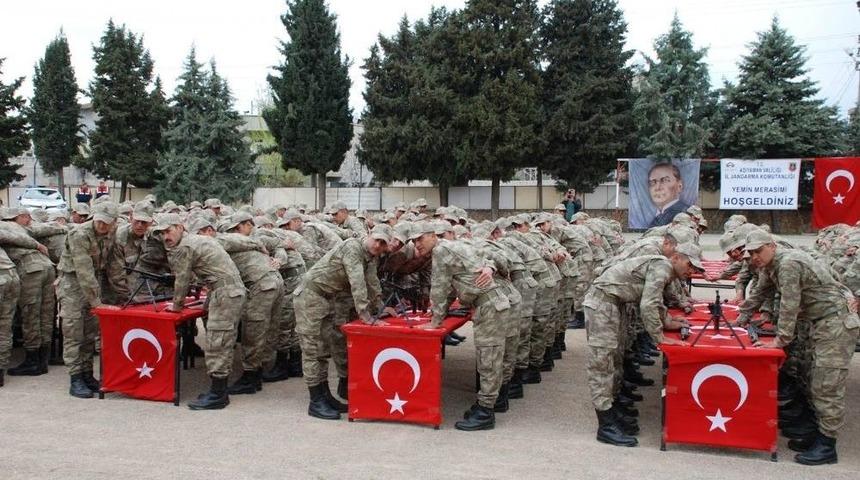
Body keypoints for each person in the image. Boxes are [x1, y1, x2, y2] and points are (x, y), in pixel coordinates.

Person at [738, 230, 859, 465]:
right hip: (819, 322)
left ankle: (827, 445)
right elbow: (760, 292)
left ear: (771, 246)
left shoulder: (789, 263)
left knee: (826, 384)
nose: (754, 257)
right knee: (812, 378)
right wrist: (741, 316)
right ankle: (817, 432)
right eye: (751, 253)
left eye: (758, 251)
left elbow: (789, 305)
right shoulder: (771, 265)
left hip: (835, 322)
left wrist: (780, 340)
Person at [584, 242, 703, 447]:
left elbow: (655, 302)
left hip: (614, 304)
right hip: (602, 303)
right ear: (676, 258)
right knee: (602, 363)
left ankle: (612, 411)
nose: (691, 271)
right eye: (689, 265)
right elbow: (647, 304)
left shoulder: (666, 271)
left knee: (616, 360)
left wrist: (668, 323)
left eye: (696, 269)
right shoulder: (663, 267)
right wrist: (659, 337)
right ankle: (605, 425)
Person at [413, 222, 511, 431]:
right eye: (413, 240)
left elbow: (439, 287)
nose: (416, 244)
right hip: (489, 304)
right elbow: (449, 289)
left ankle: (486, 412)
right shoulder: (453, 246)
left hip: (489, 306)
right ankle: (486, 404)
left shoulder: (441, 250)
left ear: (432, 235)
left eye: (420, 238)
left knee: (488, 359)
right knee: (489, 357)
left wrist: (435, 322)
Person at [294, 225, 389, 420]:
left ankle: (325, 395)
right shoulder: (353, 248)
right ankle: (315, 400)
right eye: (377, 240)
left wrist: (380, 307)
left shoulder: (370, 257)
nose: (378, 245)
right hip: (311, 296)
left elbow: (372, 282)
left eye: (383, 243)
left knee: (323, 350)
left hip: (327, 299)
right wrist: (366, 316)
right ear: (369, 235)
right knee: (312, 350)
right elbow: (357, 283)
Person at [157, 213, 247, 410]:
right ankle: (218, 390)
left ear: (180, 227)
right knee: (222, 339)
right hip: (227, 291)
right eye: (162, 233)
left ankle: (218, 394)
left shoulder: (186, 246)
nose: (165, 236)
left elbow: (182, 279)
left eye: (168, 231)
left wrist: (177, 305)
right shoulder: (199, 240)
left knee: (217, 341)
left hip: (224, 293)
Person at [56, 202, 128, 398]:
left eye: (106, 223)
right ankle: (75, 377)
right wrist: (97, 302)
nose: (102, 226)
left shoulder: (112, 233)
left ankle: (87, 374)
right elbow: (83, 270)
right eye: (99, 221)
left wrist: (123, 291)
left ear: (114, 222)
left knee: (90, 332)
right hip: (73, 285)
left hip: (93, 283)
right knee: (73, 331)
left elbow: (113, 264)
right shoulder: (80, 234)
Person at [647, 163, 691, 228]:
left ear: (680, 185)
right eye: (652, 182)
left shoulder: (684, 212)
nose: (657, 187)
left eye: (665, 180)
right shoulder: (659, 215)